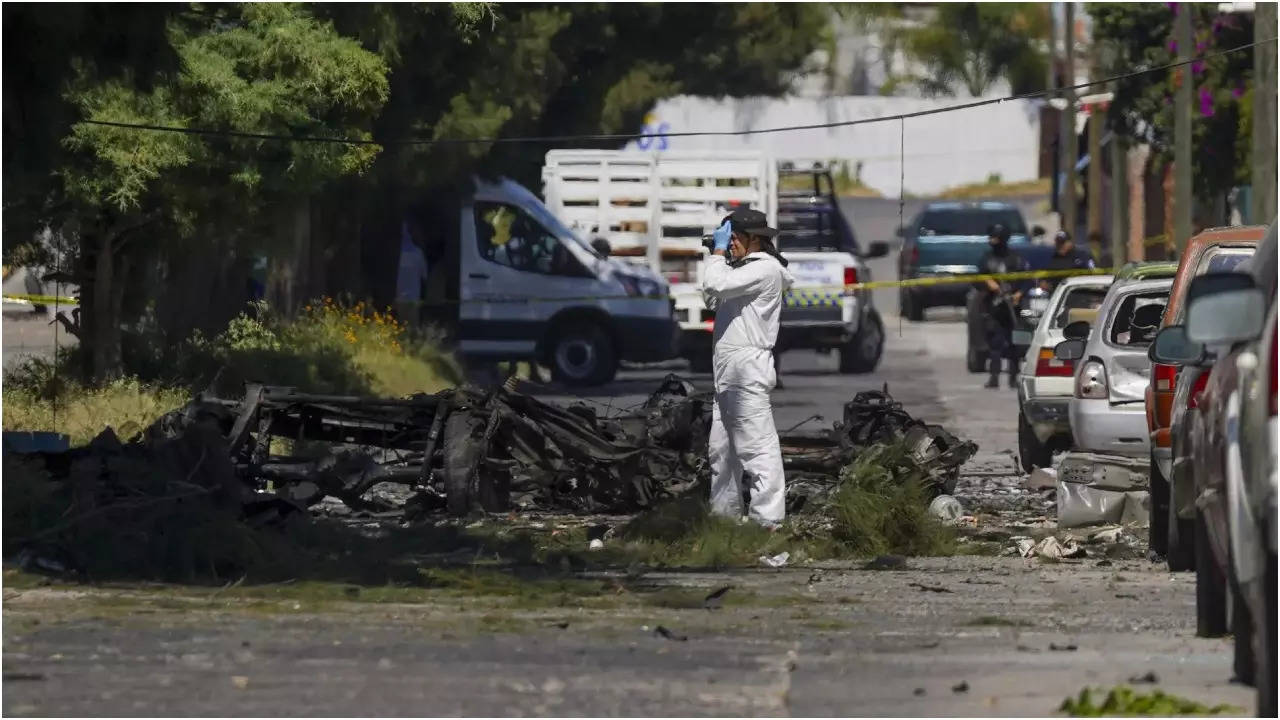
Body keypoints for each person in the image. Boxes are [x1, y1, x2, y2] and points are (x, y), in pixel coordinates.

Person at [702, 207, 794, 528]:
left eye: (733, 239)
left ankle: (767, 522)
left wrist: (716, 254)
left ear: (753, 239)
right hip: (727, 370)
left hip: (747, 369)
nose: (730, 245)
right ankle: (724, 520)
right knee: (721, 452)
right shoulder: (740, 270)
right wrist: (721, 257)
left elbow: (716, 286)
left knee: (756, 449)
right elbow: (711, 298)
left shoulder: (764, 270)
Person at [978, 223, 1026, 389]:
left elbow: (1025, 280)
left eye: (995, 238)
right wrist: (991, 284)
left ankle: (1013, 378)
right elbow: (980, 276)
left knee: (1014, 344)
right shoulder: (987, 258)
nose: (992, 241)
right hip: (994, 308)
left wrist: (1018, 295)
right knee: (995, 344)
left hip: (1012, 308)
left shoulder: (1016, 258)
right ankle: (994, 378)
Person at [395, 218, 429, 325]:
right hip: (414, 297)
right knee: (413, 327)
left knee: (401, 327)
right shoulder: (418, 253)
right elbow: (424, 276)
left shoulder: (396, 254)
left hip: (400, 297)